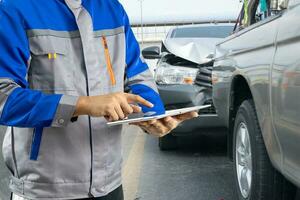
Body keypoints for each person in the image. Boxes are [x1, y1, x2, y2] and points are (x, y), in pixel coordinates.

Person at [0, 0, 198, 199]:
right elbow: (3, 95)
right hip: (45, 188)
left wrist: (152, 115)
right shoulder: (15, 8)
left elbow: (137, 75)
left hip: (109, 183)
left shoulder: (112, 9)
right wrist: (82, 104)